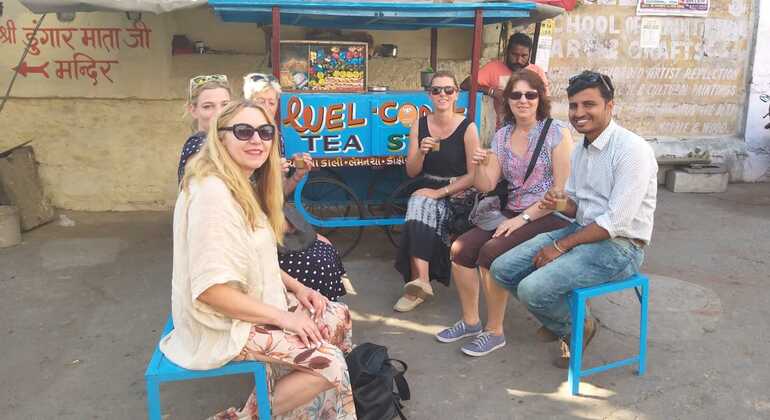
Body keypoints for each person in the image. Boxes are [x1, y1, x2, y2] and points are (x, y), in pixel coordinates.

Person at [162, 100, 356, 419]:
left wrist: (299, 289)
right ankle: (244, 417)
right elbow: (211, 292)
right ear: (220, 137)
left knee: (335, 315)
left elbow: (259, 256)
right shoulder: (212, 195)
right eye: (243, 131)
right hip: (220, 324)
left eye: (265, 132)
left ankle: (297, 410)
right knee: (329, 363)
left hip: (248, 305)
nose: (257, 140)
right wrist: (286, 318)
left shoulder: (237, 182)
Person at [489, 71, 658, 368]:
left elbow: (614, 223)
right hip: (583, 230)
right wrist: (560, 203)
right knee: (502, 269)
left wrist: (561, 246)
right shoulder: (581, 149)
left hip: (621, 247)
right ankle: (570, 323)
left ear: (610, 106)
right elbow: (577, 207)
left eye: (588, 105)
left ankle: (571, 325)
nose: (579, 113)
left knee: (532, 289)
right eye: (574, 105)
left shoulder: (633, 150)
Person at [436, 69, 573, 357]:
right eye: (516, 95)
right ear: (507, 100)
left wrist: (521, 219)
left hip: (548, 213)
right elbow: (486, 184)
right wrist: (480, 164)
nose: (523, 100)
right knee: (460, 249)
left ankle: (494, 331)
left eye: (530, 95)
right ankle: (471, 321)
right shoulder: (502, 135)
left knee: (490, 252)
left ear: (540, 98)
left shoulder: (557, 133)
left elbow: (561, 193)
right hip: (510, 210)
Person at [244, 72, 348, 302]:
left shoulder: (274, 136)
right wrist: (266, 180)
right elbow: (243, 195)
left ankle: (324, 313)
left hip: (274, 216)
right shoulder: (241, 137)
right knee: (317, 260)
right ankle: (310, 311)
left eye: (272, 102)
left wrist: (297, 174)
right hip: (253, 225)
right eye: (261, 101)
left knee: (326, 248)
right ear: (247, 103)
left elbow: (278, 193)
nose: (267, 107)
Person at [393, 70, 480, 312]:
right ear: (429, 95)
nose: (442, 94)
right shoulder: (419, 125)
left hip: (459, 190)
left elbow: (474, 175)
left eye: (448, 90)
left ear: (456, 94)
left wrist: (440, 193)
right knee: (419, 202)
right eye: (436, 90)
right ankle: (420, 283)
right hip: (427, 183)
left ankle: (419, 282)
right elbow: (412, 171)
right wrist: (421, 151)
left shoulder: (467, 127)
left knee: (419, 204)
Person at [460, 33, 550, 129]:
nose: (518, 60)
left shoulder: (537, 72)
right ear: (507, 51)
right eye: (514, 55)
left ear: (529, 55)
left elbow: (545, 104)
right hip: (502, 130)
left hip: (532, 130)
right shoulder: (493, 68)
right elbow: (465, 84)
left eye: (524, 56)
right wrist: (492, 91)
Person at [178, 74, 231, 182]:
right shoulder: (198, 145)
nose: (219, 113)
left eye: (225, 105)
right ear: (193, 110)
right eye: (208, 106)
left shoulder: (228, 140)